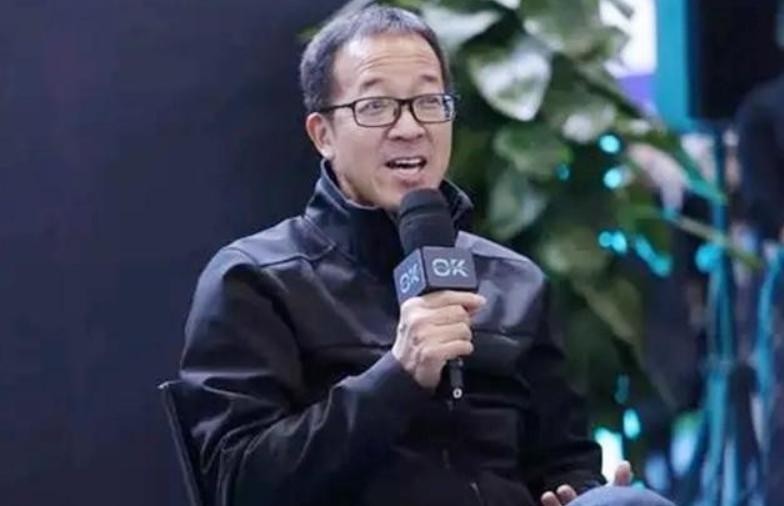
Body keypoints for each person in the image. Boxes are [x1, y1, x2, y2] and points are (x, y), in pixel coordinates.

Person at [178, 6, 674, 506]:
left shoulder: (515, 281)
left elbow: (564, 460)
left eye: (429, 102)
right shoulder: (256, 281)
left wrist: (579, 492)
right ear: (323, 134)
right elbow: (237, 482)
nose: (410, 127)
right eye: (376, 106)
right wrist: (397, 375)